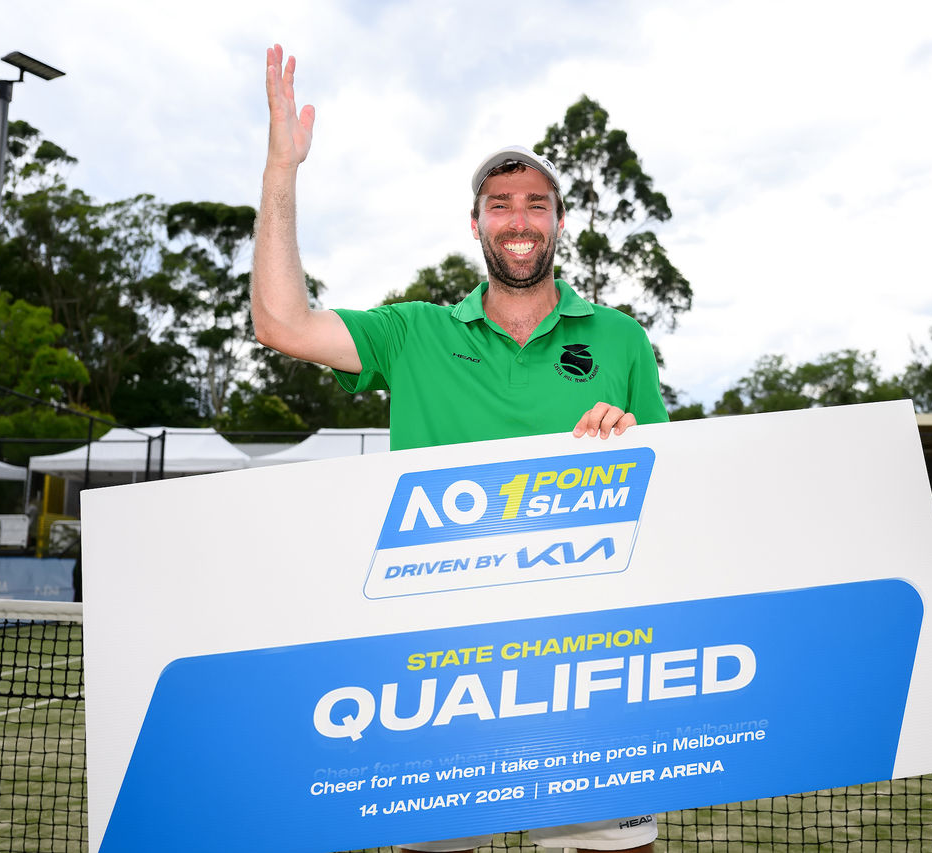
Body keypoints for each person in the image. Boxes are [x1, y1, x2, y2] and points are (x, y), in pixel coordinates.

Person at [253, 43, 661, 853]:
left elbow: (670, 492)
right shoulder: (415, 332)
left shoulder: (621, 339)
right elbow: (281, 322)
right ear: (476, 224)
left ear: (560, 222)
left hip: (590, 665)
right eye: (500, 203)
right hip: (440, 673)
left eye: (536, 204)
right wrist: (281, 169)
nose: (519, 220)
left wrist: (632, 444)